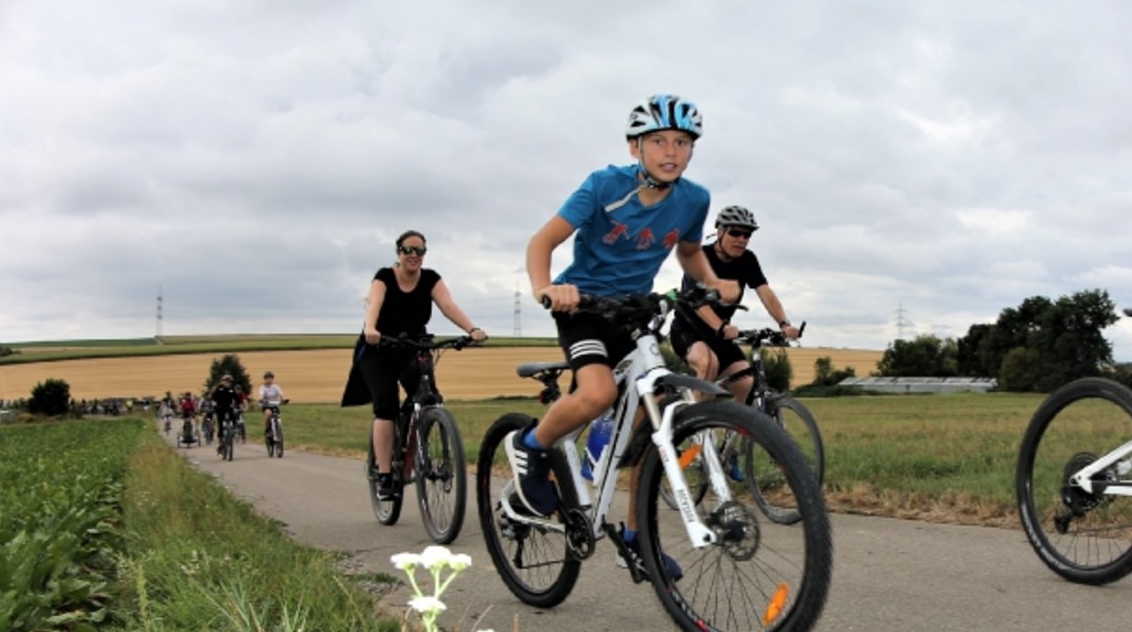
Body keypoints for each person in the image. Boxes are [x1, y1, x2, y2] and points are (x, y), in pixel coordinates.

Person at [509, 94, 736, 582]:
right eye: (658, 141)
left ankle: (635, 540)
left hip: (635, 310)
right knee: (597, 394)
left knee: (654, 423)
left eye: (681, 142)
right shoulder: (603, 186)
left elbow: (690, 251)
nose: (671, 151)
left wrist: (711, 282)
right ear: (635, 146)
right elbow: (542, 242)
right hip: (584, 307)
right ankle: (533, 443)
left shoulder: (694, 198)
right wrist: (547, 288)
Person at [341, 230, 488, 500]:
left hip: (414, 346)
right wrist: (371, 328)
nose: (414, 255)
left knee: (428, 396)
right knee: (386, 407)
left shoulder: (431, 278)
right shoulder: (385, 276)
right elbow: (375, 303)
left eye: (419, 251)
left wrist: (472, 328)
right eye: (408, 250)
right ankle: (385, 474)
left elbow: (448, 305)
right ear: (398, 252)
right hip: (380, 347)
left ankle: (422, 444)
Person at [669, 204, 801, 407]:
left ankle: (737, 432)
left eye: (747, 235)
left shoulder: (748, 260)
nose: (741, 240)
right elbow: (698, 303)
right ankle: (698, 431)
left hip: (720, 334)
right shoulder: (701, 258)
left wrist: (784, 324)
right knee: (708, 363)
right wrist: (721, 326)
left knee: (746, 383)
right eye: (735, 233)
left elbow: (766, 293)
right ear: (720, 232)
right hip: (688, 330)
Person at [208, 374, 242, 447]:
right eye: (226, 381)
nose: (227, 383)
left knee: (233, 417)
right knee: (220, 425)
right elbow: (213, 399)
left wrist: (239, 405)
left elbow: (237, 399)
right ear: (222, 382)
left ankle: (234, 430)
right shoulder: (218, 389)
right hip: (220, 408)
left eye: (229, 382)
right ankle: (220, 442)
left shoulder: (231, 390)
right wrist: (214, 404)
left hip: (228, 407)